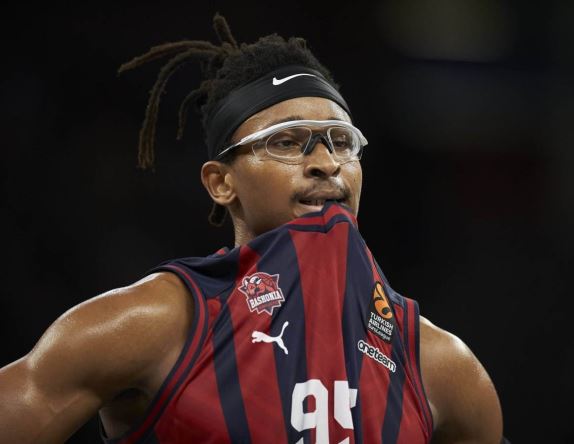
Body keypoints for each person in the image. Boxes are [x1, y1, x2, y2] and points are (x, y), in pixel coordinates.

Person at [0, 14, 505, 444]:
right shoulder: (151, 324)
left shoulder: (440, 365)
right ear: (221, 183)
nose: (326, 163)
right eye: (287, 141)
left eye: (340, 141)